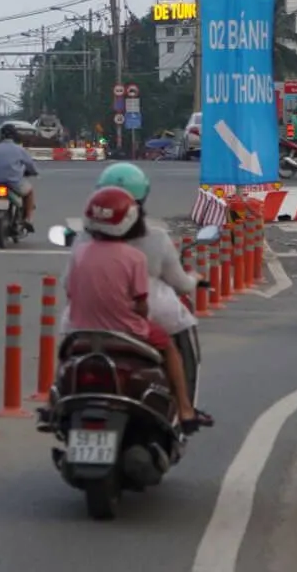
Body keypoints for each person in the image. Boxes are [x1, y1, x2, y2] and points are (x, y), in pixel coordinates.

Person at [63, 186, 203, 434]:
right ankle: (185, 409)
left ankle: (57, 399)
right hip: (126, 330)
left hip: (80, 329)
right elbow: (141, 305)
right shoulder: (134, 257)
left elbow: (69, 290)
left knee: (64, 355)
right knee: (170, 349)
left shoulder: (80, 251)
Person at [92, 162, 214, 427]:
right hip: (141, 319)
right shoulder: (153, 240)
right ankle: (185, 409)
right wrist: (195, 279)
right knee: (179, 343)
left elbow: (69, 284)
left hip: (86, 320)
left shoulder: (84, 241)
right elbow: (174, 287)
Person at [0, 123, 39, 231]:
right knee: (29, 192)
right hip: (14, 183)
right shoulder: (19, 150)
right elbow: (30, 165)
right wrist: (34, 172)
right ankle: (28, 219)